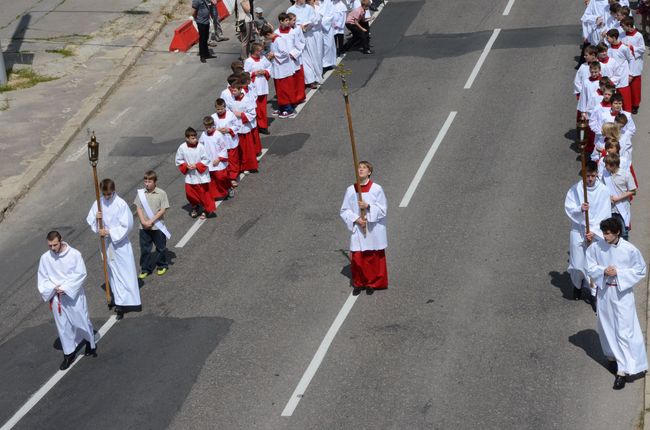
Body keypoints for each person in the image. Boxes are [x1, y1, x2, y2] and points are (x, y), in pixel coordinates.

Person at [586, 217, 648, 390]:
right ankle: (612, 357)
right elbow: (589, 265)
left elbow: (640, 270)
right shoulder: (597, 247)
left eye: (608, 233)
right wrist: (603, 271)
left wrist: (618, 273)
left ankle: (623, 370)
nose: (605, 237)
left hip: (622, 294)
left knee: (624, 330)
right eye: (604, 233)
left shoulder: (629, 250)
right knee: (606, 327)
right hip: (605, 292)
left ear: (618, 232)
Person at [38, 231, 96, 370]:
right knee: (63, 326)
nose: (52, 248)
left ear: (61, 240)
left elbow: (80, 273)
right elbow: (42, 278)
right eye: (50, 245)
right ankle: (68, 354)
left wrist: (65, 287)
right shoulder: (45, 258)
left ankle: (89, 341)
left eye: (55, 245)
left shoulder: (74, 254)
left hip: (73, 294)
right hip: (57, 297)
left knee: (81, 319)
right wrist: (53, 287)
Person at [86, 179, 142, 320]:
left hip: (120, 243)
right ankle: (119, 303)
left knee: (125, 271)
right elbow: (92, 222)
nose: (106, 197)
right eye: (104, 194)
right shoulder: (99, 203)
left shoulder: (120, 204)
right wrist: (96, 219)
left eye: (109, 194)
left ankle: (129, 300)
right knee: (113, 272)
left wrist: (110, 232)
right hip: (107, 244)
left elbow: (127, 225)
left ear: (114, 191)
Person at [564, 161, 611, 304]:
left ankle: (593, 293)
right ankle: (577, 284)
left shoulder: (603, 191)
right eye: (587, 176)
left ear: (597, 173)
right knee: (577, 263)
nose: (590, 179)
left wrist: (594, 232)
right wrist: (580, 209)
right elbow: (569, 207)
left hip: (595, 232)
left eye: (592, 175)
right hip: (578, 229)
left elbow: (605, 215)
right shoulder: (576, 189)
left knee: (593, 264)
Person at [340, 161, 388, 295]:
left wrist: (368, 207)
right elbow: (344, 210)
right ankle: (359, 283)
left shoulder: (376, 189)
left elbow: (383, 209)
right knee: (358, 257)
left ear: (369, 172)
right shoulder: (351, 190)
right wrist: (357, 219)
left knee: (372, 257)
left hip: (373, 229)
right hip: (358, 228)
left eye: (364, 168)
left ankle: (372, 283)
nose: (360, 169)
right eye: (359, 167)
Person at [134, 170, 170, 279]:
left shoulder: (161, 193)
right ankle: (145, 269)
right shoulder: (141, 193)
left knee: (160, 247)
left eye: (149, 181)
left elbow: (163, 210)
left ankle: (162, 265)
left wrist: (151, 221)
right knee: (145, 249)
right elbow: (138, 208)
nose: (147, 184)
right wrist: (144, 222)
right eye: (145, 181)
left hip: (157, 226)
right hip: (143, 227)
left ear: (155, 182)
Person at [176, 127, 216, 219]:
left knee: (204, 194)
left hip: (201, 175)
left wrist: (197, 166)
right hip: (190, 176)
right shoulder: (182, 147)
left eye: (195, 137)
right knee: (190, 193)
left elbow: (206, 159)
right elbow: (179, 160)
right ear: (187, 138)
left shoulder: (201, 147)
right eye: (192, 138)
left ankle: (206, 210)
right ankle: (196, 206)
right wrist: (186, 166)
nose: (195, 140)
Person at [289, 0, 323, 88]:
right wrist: (298, 27)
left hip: (309, 35)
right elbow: (289, 23)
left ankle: (316, 76)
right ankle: (310, 80)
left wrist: (307, 25)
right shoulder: (290, 9)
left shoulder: (309, 8)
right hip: (298, 37)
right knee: (304, 59)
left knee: (313, 56)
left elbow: (315, 20)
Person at [601, 153, 636, 240]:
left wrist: (618, 198)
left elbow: (633, 191)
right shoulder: (605, 175)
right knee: (611, 233)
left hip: (622, 208)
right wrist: (608, 198)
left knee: (623, 233)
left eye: (607, 165)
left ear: (614, 165)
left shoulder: (626, 175)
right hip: (610, 208)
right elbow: (602, 189)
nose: (605, 167)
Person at [212, 98, 241, 192]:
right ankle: (226, 177)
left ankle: (233, 178)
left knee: (233, 160)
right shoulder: (213, 117)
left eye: (221, 109)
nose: (220, 111)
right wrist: (217, 130)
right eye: (218, 109)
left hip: (230, 141)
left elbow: (237, 125)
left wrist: (229, 129)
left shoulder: (230, 115)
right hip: (220, 143)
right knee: (223, 161)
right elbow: (210, 128)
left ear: (225, 107)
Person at [199, 116, 231, 200]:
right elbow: (200, 145)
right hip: (209, 161)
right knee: (212, 179)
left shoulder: (218, 134)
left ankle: (228, 189)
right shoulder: (203, 134)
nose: (208, 129)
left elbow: (223, 148)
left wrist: (219, 158)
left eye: (210, 127)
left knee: (221, 177)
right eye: (206, 127)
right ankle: (217, 194)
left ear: (213, 125)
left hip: (218, 160)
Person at [245, 42, 272, 134]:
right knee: (255, 108)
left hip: (263, 86)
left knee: (262, 108)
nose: (262, 52)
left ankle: (263, 126)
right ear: (255, 51)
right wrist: (254, 73)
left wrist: (265, 72)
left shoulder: (263, 58)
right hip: (254, 88)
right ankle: (256, 125)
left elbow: (269, 67)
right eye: (260, 51)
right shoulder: (248, 61)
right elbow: (245, 74)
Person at [620, 16, 644, 114]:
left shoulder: (638, 36)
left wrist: (631, 48)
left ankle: (635, 104)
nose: (622, 28)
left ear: (629, 26)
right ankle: (627, 104)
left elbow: (642, 49)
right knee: (626, 86)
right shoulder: (622, 35)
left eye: (623, 26)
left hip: (635, 64)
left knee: (635, 87)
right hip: (625, 64)